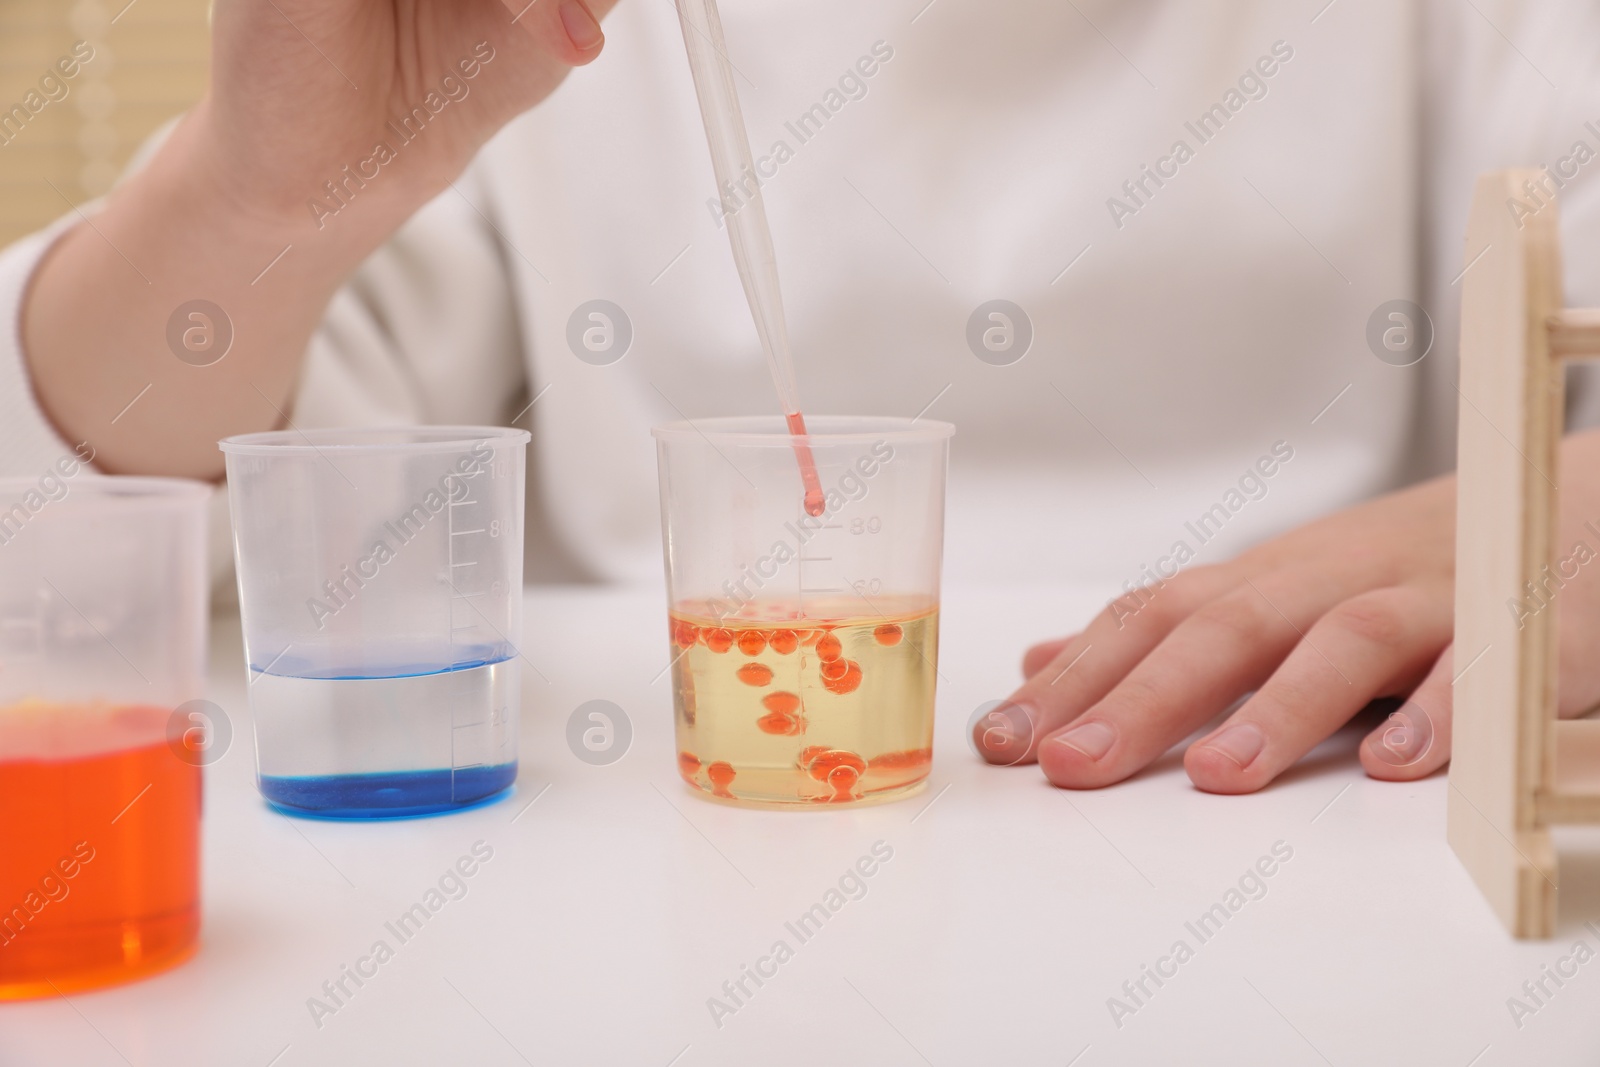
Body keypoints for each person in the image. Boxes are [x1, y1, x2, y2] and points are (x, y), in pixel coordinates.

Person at [4, 0, 1600, 794]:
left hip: (1320, 828)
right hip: (644, 894)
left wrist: (1559, 508)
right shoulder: (552, 41)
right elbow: (71, 568)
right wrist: (251, 209)